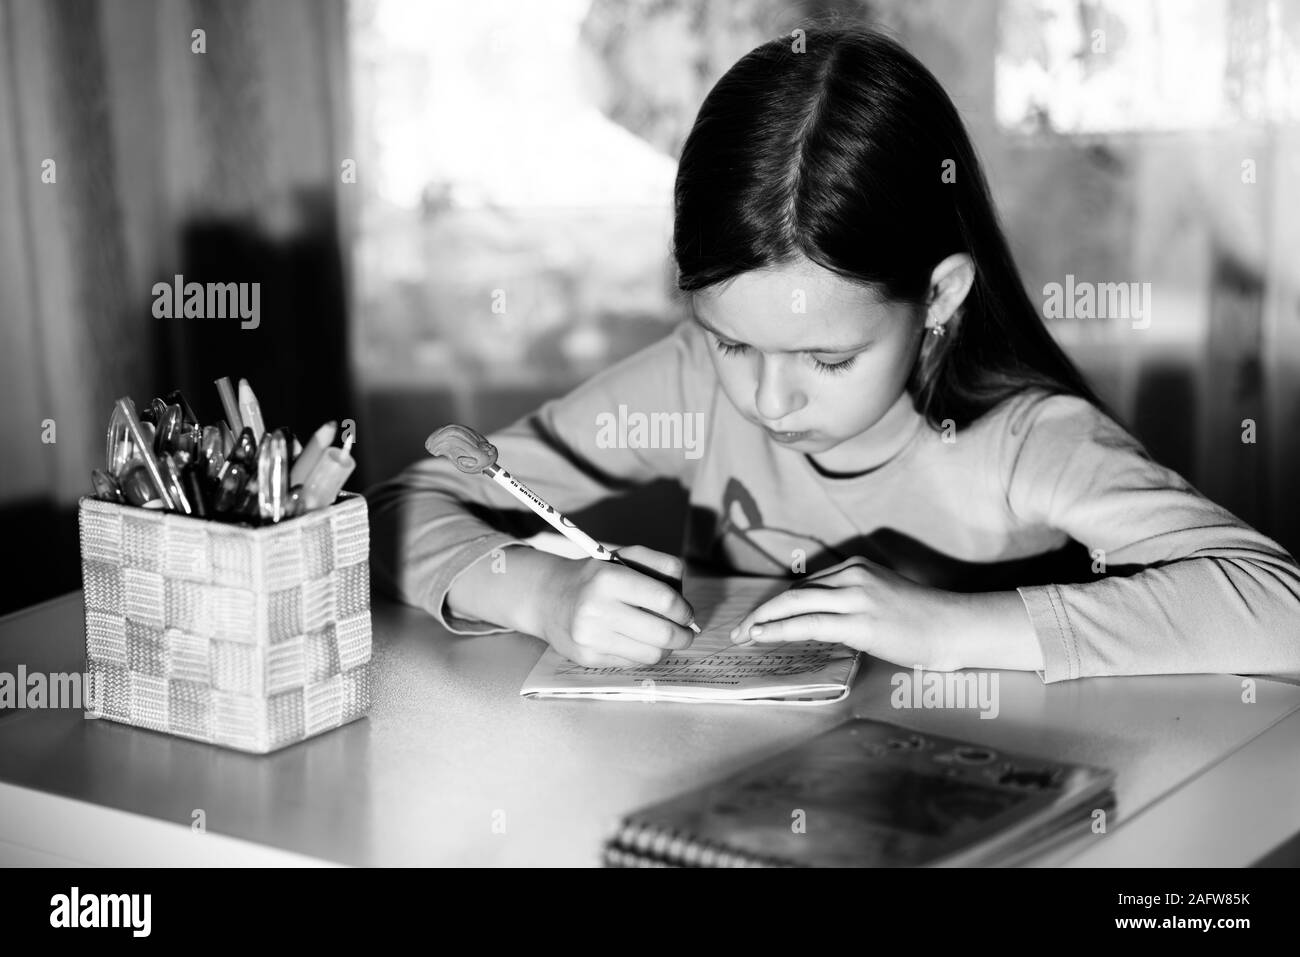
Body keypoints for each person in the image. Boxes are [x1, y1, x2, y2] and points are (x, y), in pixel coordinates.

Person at [366, 27, 1300, 682]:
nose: (769, 399)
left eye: (826, 358)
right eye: (733, 339)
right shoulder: (694, 385)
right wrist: (542, 590)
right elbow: (401, 507)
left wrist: (950, 630)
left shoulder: (1024, 442)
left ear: (939, 295)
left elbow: (1279, 605)